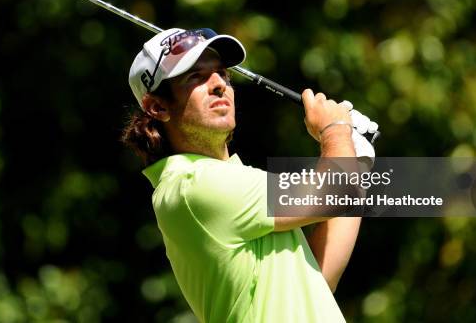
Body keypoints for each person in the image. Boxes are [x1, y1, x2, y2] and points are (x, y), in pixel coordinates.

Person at [122, 28, 378, 322]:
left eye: (222, 74)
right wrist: (335, 130)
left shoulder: (231, 183)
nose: (219, 84)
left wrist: (356, 157)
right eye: (195, 76)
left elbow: (319, 279)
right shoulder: (193, 186)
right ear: (158, 106)